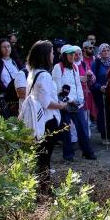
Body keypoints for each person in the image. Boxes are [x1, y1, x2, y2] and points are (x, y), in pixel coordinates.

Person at [24, 40, 69, 196]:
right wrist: (63, 105)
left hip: (39, 120)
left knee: (41, 156)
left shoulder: (32, 73)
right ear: (45, 56)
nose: (53, 55)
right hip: (47, 121)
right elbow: (47, 103)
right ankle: (44, 191)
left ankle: (41, 188)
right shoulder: (44, 75)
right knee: (44, 157)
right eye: (51, 53)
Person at [52, 45, 96, 161]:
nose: (72, 56)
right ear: (64, 55)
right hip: (65, 104)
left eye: (73, 54)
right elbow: (57, 89)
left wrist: (80, 100)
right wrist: (68, 101)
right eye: (70, 54)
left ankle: (87, 151)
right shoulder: (58, 67)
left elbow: (78, 86)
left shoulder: (76, 67)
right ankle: (68, 155)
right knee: (66, 130)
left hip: (77, 104)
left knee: (82, 128)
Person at [91, 43, 110, 145]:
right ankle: (105, 136)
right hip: (101, 93)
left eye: (108, 50)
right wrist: (99, 87)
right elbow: (92, 80)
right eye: (104, 50)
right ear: (100, 52)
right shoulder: (96, 63)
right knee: (104, 114)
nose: (106, 52)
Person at [0, 38, 24, 118]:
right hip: (5, 96)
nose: (7, 49)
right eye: (4, 47)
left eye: (8, 46)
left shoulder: (16, 61)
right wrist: (7, 91)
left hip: (19, 94)